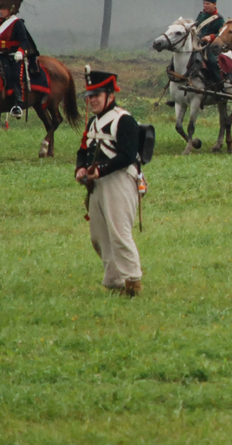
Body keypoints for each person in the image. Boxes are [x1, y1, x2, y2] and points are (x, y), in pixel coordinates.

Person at [75, 66, 142, 297]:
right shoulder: (93, 122)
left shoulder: (124, 120)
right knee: (99, 236)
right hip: (98, 184)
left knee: (119, 233)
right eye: (90, 96)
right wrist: (80, 168)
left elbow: (128, 155)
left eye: (96, 95)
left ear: (110, 96)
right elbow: (83, 151)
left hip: (119, 180)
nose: (92, 100)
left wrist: (101, 170)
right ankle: (114, 280)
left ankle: (132, 281)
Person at [193, 0, 225, 87]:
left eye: (208, 4)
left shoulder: (219, 19)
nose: (205, 6)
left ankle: (218, 85)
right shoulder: (201, 15)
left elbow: (221, 34)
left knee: (212, 61)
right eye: (204, 3)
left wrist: (211, 37)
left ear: (214, 4)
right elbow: (196, 27)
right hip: (197, 43)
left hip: (210, 46)